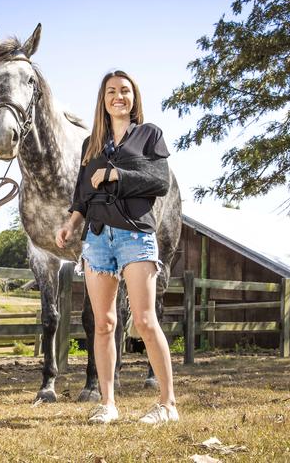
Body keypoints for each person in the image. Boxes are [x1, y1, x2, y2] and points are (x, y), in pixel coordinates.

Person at [55, 70, 178, 424]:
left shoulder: (148, 135)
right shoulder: (91, 144)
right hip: (96, 238)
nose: (118, 96)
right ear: (103, 99)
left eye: (124, 90)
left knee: (143, 319)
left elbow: (159, 180)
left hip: (135, 235)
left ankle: (168, 405)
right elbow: (81, 195)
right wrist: (70, 223)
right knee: (104, 323)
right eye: (111, 91)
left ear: (134, 97)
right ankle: (108, 403)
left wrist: (115, 175)